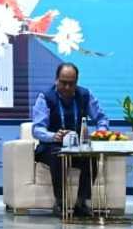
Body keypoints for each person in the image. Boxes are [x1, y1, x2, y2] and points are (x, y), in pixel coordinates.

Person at [31, 63, 109, 218]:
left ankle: (81, 203)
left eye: (71, 83)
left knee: (91, 158)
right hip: (51, 147)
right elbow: (37, 129)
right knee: (58, 156)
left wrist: (100, 133)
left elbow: (101, 118)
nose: (67, 87)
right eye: (63, 82)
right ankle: (60, 202)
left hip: (76, 147)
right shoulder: (45, 97)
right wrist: (53, 135)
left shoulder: (85, 95)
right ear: (56, 80)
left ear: (76, 82)